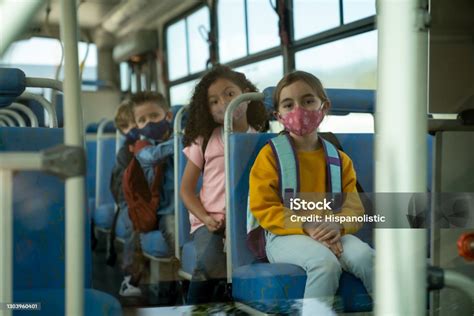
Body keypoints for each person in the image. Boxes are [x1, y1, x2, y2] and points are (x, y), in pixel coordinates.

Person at [248, 71, 374, 307]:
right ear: (278, 115)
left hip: (332, 230)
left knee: (366, 257)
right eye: (288, 104)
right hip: (285, 235)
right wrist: (307, 226)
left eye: (308, 101)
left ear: (323, 107)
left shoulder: (339, 160)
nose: (299, 110)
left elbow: (354, 208)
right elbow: (263, 207)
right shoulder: (270, 156)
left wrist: (338, 225)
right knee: (323, 263)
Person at [180, 65, 268, 303]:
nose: (224, 103)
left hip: (247, 220)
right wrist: (207, 219)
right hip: (210, 221)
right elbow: (186, 191)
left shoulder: (262, 141)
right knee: (209, 261)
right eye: (214, 101)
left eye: (230, 94)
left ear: (247, 94)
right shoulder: (205, 140)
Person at [119, 92, 176, 296]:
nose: (149, 123)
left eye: (154, 116)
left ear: (168, 116)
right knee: (172, 230)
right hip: (163, 209)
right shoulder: (143, 147)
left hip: (192, 204)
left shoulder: (179, 136)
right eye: (142, 120)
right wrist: (183, 140)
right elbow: (154, 156)